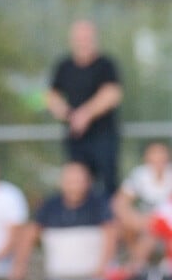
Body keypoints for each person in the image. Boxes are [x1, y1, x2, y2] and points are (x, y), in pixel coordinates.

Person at [45, 19, 123, 195]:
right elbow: (52, 96)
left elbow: (112, 94)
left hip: (103, 135)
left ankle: (109, 219)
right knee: (78, 180)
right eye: (79, 38)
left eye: (87, 38)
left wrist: (85, 114)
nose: (83, 42)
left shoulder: (106, 65)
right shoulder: (63, 66)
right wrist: (65, 113)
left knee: (108, 181)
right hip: (75, 136)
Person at [23, 160, 117, 280]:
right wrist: (21, 264)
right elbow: (30, 234)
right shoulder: (49, 206)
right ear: (61, 182)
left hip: (93, 279)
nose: (74, 185)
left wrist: (103, 266)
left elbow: (111, 235)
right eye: (70, 180)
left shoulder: (100, 205)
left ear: (88, 181)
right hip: (57, 278)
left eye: (78, 180)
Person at [112, 140, 172, 274]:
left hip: (166, 225)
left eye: (161, 154)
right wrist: (136, 219)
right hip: (146, 223)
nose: (158, 158)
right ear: (146, 157)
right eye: (154, 154)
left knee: (154, 230)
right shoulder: (140, 175)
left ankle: (135, 267)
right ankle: (138, 264)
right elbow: (119, 203)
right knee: (122, 226)